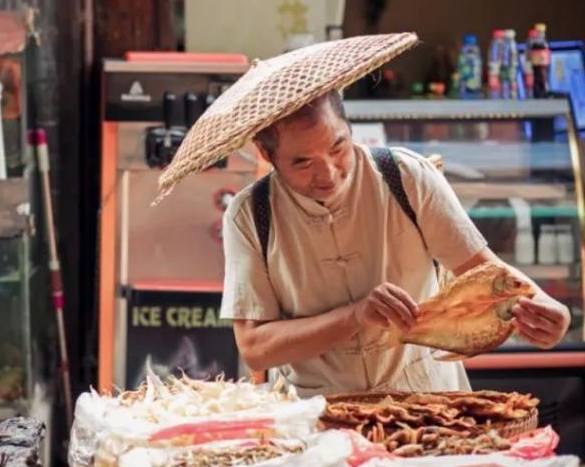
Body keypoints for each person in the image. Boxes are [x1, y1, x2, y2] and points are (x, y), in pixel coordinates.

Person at [220, 89, 571, 396]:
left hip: (430, 402)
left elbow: (484, 270)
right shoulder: (250, 214)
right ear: (268, 156)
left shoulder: (404, 176)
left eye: (338, 146)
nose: (327, 173)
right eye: (302, 162)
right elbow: (255, 347)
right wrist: (355, 315)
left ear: (349, 128)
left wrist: (545, 307)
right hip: (318, 418)